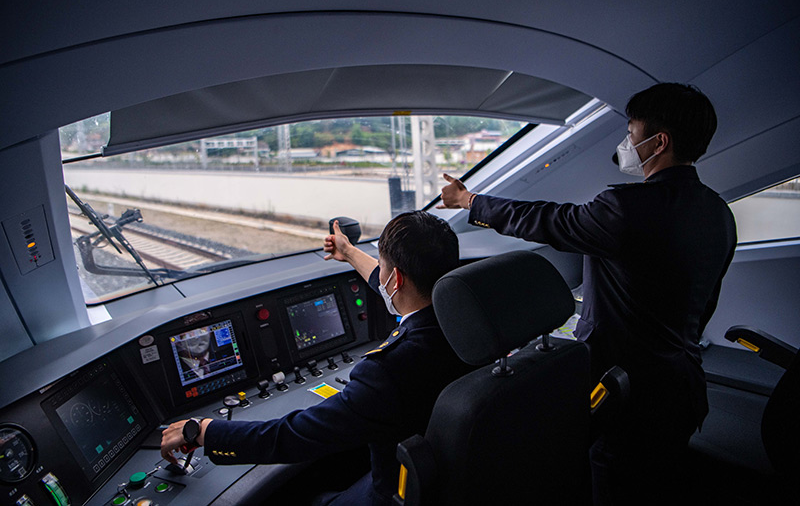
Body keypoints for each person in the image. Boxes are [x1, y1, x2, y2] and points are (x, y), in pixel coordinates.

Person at [438, 83, 737, 504]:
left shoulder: (625, 208)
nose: (627, 143)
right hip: (683, 389)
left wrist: (469, 200)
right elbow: (702, 307)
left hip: (627, 396)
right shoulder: (719, 213)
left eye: (631, 133)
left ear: (659, 142)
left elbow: (544, 220)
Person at [161, 211, 471, 506]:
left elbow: (291, 437)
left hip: (396, 493)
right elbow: (390, 282)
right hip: (456, 476)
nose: (380, 276)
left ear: (397, 280)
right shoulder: (473, 325)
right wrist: (348, 252)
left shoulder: (387, 370)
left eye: (382, 266)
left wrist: (204, 431)